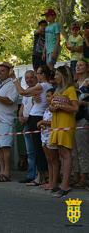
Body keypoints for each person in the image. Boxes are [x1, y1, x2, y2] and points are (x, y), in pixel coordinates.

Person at [11, 66, 52, 187]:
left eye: (38, 74)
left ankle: (40, 177)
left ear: (43, 75)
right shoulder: (44, 87)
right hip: (35, 117)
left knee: (39, 149)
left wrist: (14, 79)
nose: (37, 76)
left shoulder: (43, 85)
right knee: (37, 148)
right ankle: (39, 176)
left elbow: (22, 92)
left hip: (37, 118)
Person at [49, 65, 79, 197]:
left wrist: (60, 106)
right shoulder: (57, 90)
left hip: (66, 125)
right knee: (61, 153)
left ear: (63, 75)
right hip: (56, 124)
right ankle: (62, 183)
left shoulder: (71, 89)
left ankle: (65, 185)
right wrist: (52, 108)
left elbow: (75, 108)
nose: (55, 77)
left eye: (56, 74)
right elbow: (52, 106)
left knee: (66, 154)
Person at [0, 62, 18, 182]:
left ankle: (6, 173)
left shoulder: (12, 85)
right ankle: (1, 172)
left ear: (9, 72)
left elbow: (10, 101)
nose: (0, 73)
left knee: (5, 147)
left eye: (3, 71)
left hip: (5, 120)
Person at [13, 70, 39, 184]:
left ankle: (38, 176)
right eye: (27, 78)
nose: (29, 80)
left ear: (36, 78)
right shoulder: (27, 90)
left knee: (37, 151)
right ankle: (30, 175)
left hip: (34, 122)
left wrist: (27, 117)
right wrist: (20, 116)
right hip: (26, 124)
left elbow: (35, 106)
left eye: (31, 77)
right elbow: (23, 105)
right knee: (30, 152)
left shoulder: (38, 89)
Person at [72, 60, 89, 189]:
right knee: (73, 150)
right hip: (71, 120)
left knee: (82, 149)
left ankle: (84, 177)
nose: (78, 67)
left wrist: (83, 104)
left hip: (83, 119)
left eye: (81, 65)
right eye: (77, 65)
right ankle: (76, 176)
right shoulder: (73, 84)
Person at [37, 88, 58, 191]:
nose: (47, 98)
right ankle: (50, 181)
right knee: (49, 160)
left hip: (52, 136)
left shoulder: (56, 108)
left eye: (49, 96)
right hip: (44, 136)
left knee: (54, 160)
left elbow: (56, 123)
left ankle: (54, 182)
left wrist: (43, 123)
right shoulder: (47, 108)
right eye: (47, 96)